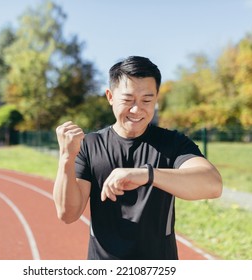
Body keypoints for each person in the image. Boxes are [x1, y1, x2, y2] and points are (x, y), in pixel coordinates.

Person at [53, 56, 223, 260]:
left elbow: (213, 185)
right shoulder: (90, 145)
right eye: (127, 100)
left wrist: (146, 174)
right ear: (110, 97)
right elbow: (68, 214)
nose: (136, 109)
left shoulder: (173, 143)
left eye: (146, 100)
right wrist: (66, 159)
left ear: (156, 99)